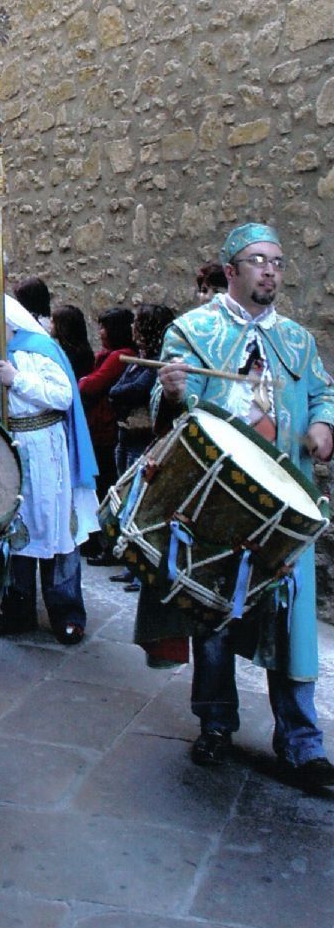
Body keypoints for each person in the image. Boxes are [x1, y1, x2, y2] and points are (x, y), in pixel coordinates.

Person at [153, 222, 334, 788]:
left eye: (278, 262)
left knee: (294, 622)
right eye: (259, 261)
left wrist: (324, 421)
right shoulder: (192, 330)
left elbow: (323, 390)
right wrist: (174, 391)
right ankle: (215, 724)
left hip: (287, 501)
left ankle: (302, 743)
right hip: (221, 506)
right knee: (217, 616)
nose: (271, 270)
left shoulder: (299, 340)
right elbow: (167, 400)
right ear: (231, 270)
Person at [0, 281, 98, 645]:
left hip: (47, 450)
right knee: (15, 534)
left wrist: (18, 380)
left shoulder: (40, 349)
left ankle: (67, 612)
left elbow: (62, 395)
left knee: (56, 529)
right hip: (11, 452)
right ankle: (16, 610)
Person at [106, 304, 175, 591]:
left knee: (140, 505)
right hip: (127, 437)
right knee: (126, 506)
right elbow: (117, 388)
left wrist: (120, 393)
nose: (133, 328)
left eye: (139, 323)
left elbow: (131, 390)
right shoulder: (140, 359)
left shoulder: (156, 362)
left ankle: (141, 570)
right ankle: (131, 565)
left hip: (142, 440)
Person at [80, 306, 135, 566]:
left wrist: (82, 380)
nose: (100, 332)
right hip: (100, 428)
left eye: (104, 327)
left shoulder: (121, 356)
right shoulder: (108, 355)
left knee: (105, 488)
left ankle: (108, 544)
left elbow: (92, 384)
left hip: (107, 430)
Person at [51, 305, 95, 381]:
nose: (50, 326)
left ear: (62, 326)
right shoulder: (67, 350)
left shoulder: (78, 355)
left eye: (53, 322)